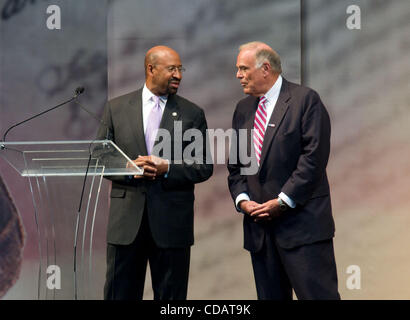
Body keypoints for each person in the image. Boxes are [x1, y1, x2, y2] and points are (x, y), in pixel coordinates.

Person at [97, 45, 213, 300]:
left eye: (180, 69)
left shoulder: (192, 113)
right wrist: (128, 169)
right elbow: (100, 157)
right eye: (172, 69)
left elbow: (204, 166)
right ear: (151, 69)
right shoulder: (116, 108)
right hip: (126, 226)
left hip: (172, 226)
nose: (179, 75)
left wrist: (167, 168)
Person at [227, 41, 340, 300]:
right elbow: (236, 167)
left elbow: (313, 159)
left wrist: (283, 201)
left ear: (265, 68)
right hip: (260, 233)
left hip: (303, 229)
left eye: (243, 69)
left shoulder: (305, 100)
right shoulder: (243, 109)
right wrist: (243, 200)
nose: (238, 75)